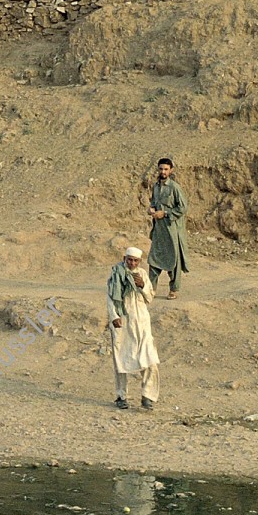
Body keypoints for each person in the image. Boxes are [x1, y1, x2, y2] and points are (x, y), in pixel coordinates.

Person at [107, 245, 160, 410]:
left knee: (149, 359)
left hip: (141, 322)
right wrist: (114, 317)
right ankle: (121, 396)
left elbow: (150, 297)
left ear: (139, 261)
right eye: (129, 260)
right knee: (121, 359)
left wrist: (142, 285)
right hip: (123, 321)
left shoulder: (142, 274)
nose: (132, 263)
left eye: (135, 260)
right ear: (125, 258)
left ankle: (147, 396)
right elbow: (110, 298)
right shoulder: (116, 274)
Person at [147, 158, 189, 298]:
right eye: (161, 169)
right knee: (153, 258)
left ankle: (174, 289)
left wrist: (165, 213)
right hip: (159, 229)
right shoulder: (156, 186)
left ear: (171, 170)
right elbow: (154, 202)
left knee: (173, 259)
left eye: (166, 169)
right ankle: (151, 289)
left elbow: (182, 208)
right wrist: (151, 209)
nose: (163, 172)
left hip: (172, 229)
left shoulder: (175, 188)